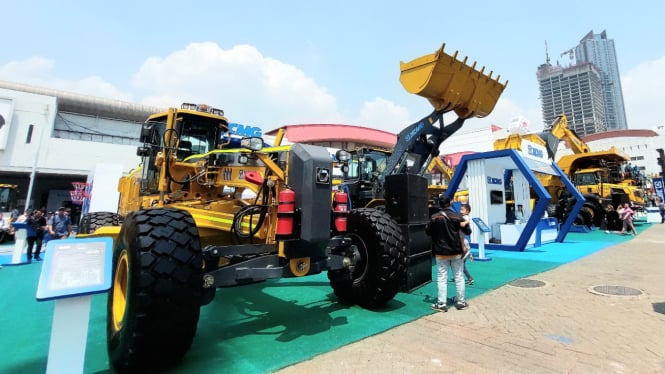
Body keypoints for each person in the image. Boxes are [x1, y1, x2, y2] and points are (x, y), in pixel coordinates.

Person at [426, 194, 471, 312]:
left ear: (439, 204)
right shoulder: (457, 216)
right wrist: (465, 224)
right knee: (459, 277)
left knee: (442, 278)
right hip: (456, 251)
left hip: (441, 252)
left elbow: (428, 231)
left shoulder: (435, 217)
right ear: (450, 203)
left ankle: (441, 304)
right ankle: (461, 302)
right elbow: (468, 231)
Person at [459, 203, 475, 286]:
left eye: (462, 210)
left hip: (464, 243)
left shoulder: (465, 217)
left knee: (460, 263)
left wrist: (464, 223)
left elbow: (467, 220)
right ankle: (469, 278)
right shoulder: (462, 217)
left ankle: (467, 278)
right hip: (463, 242)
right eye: (460, 209)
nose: (460, 211)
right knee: (462, 265)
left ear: (467, 211)